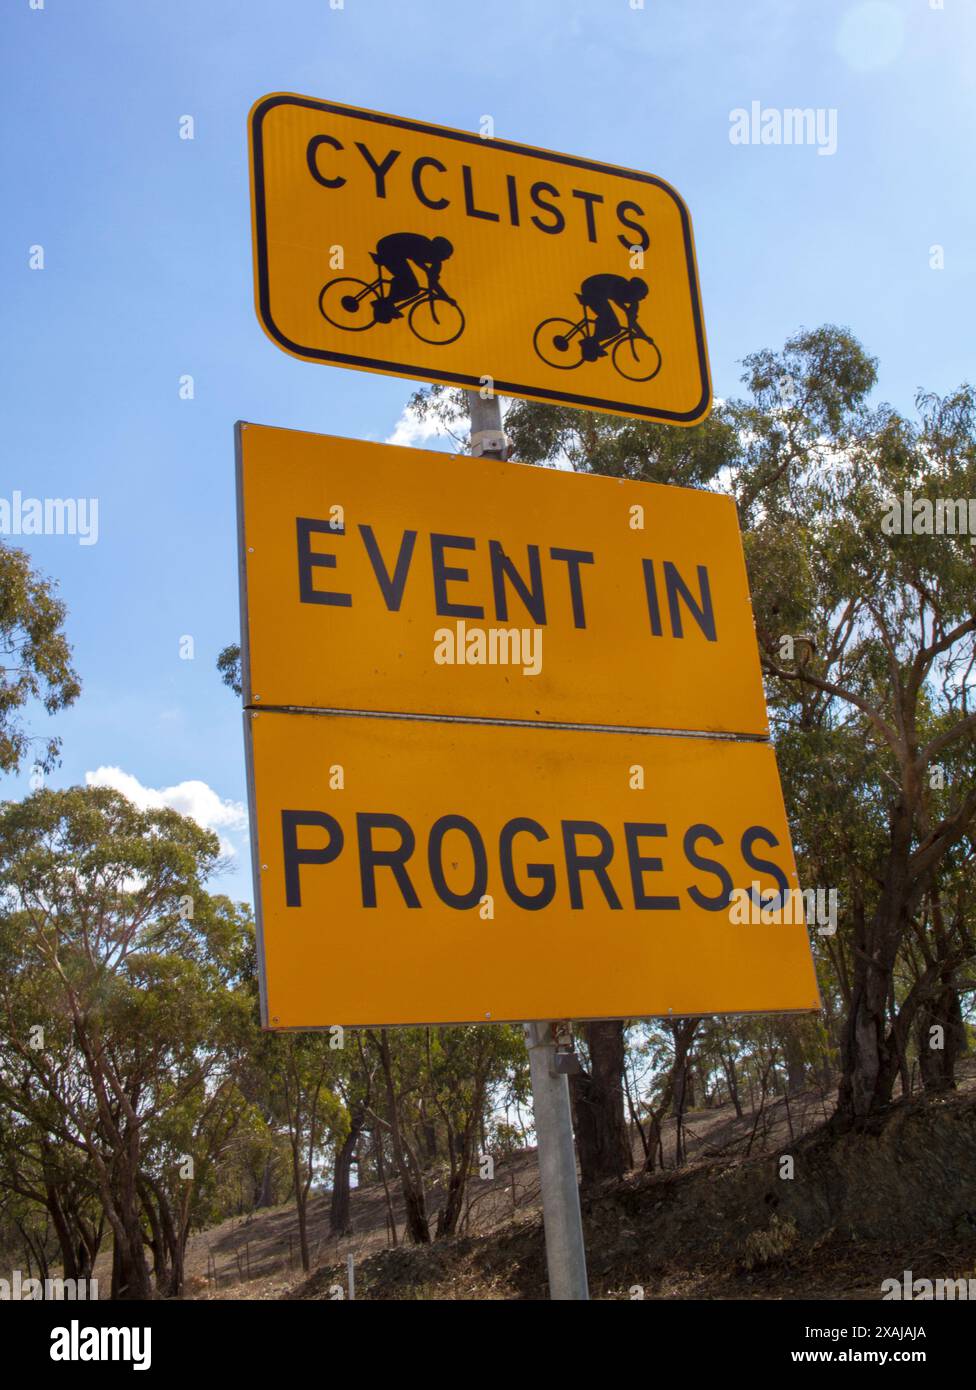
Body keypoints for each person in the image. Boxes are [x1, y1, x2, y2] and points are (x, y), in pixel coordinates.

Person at [372, 232, 454, 316]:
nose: (442, 259)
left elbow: (433, 282)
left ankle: (386, 304)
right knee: (410, 285)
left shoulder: (435, 260)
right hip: (389, 248)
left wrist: (446, 297)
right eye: (442, 256)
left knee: (410, 285)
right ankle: (384, 304)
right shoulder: (424, 245)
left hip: (392, 249)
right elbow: (417, 259)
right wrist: (445, 297)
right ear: (437, 251)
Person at [578, 273, 649, 355]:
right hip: (591, 287)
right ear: (634, 291)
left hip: (599, 292)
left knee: (615, 329)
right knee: (606, 317)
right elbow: (615, 299)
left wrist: (644, 336)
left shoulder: (633, 301)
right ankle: (591, 343)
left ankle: (593, 342)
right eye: (641, 295)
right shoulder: (621, 285)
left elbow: (632, 322)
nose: (642, 298)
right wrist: (626, 310)